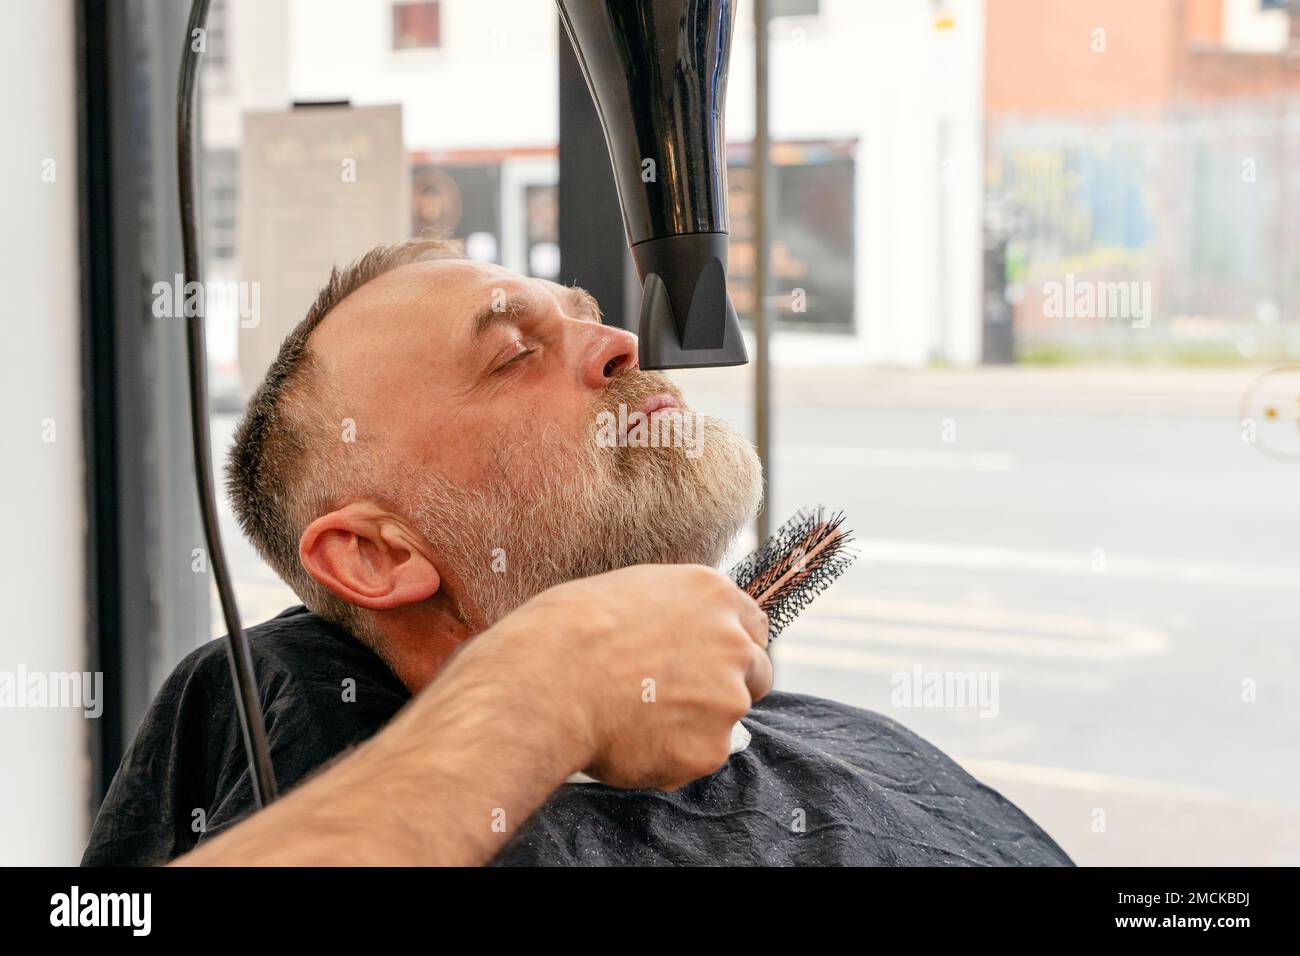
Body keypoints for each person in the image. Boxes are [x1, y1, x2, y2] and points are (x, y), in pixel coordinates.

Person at [83, 237, 1072, 866]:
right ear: (376, 555)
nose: (618, 345)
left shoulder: (851, 754)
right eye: (514, 351)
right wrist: (546, 685)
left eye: (586, 313)